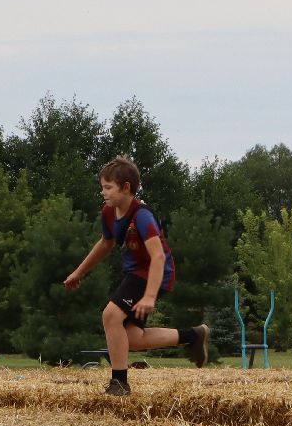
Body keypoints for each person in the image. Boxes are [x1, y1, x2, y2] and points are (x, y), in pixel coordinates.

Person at [63, 156, 210, 397]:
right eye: (102, 187)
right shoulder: (109, 213)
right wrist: (79, 272)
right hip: (137, 273)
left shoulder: (142, 216)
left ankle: (119, 383)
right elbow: (105, 243)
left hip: (155, 273)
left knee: (110, 315)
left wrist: (150, 296)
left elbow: (158, 257)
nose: (103, 192)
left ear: (126, 187)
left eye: (108, 187)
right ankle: (193, 336)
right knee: (131, 338)